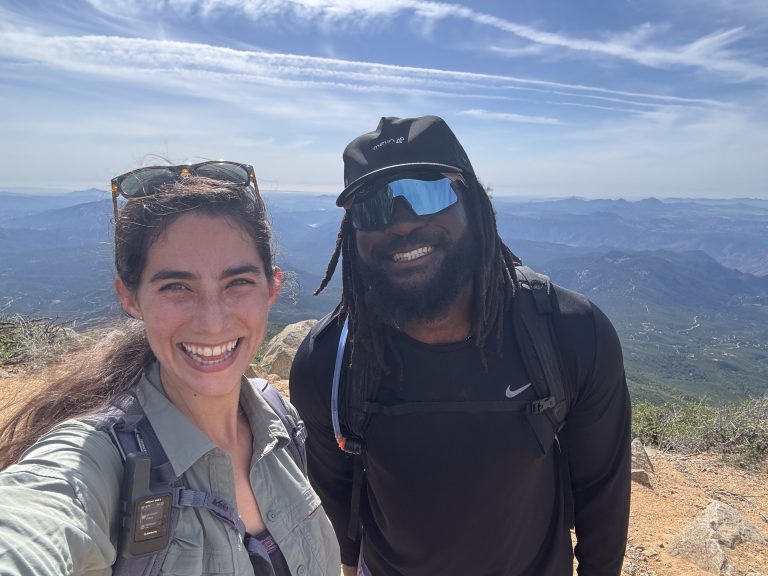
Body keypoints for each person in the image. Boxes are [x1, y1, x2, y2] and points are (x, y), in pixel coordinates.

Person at [289, 116, 631, 576]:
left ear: (471, 201)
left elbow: (601, 497)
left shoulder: (570, 335)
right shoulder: (328, 363)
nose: (402, 222)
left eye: (428, 191)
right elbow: (337, 509)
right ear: (354, 234)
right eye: (373, 207)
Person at [0, 162, 340, 575]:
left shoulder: (282, 426)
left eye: (238, 283)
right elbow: (32, 520)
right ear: (130, 298)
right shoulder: (99, 462)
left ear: (272, 287)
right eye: (176, 287)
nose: (213, 322)